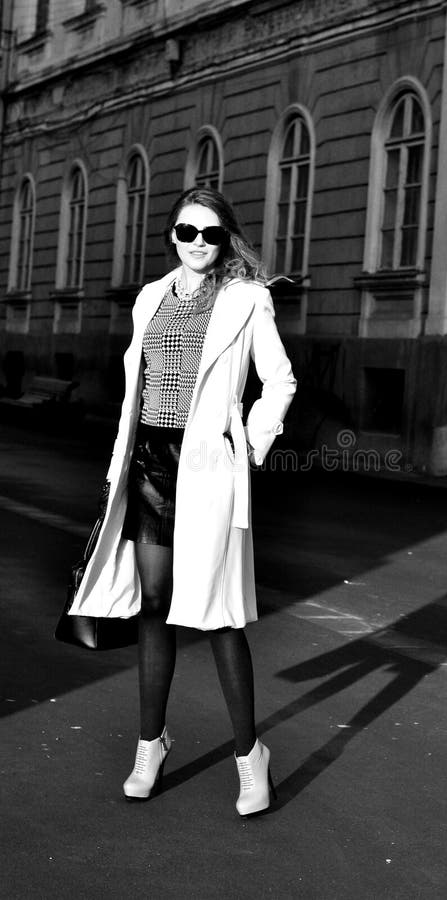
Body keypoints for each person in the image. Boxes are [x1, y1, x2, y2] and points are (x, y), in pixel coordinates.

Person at [69, 187, 296, 815]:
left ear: (226, 239)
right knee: (156, 605)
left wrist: (249, 444)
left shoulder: (248, 300)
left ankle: (251, 758)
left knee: (220, 612)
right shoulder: (151, 298)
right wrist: (118, 465)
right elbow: (135, 393)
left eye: (211, 233)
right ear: (172, 235)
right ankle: (150, 744)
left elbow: (279, 380)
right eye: (187, 231)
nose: (198, 243)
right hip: (148, 464)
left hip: (208, 468)